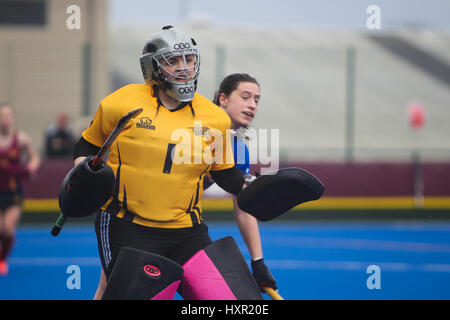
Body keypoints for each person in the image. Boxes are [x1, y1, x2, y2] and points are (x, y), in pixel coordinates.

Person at [71, 26, 259, 299]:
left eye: (190, 60)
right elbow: (87, 145)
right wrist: (83, 170)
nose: (184, 68)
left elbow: (226, 174)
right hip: (128, 226)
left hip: (188, 231)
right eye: (173, 60)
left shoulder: (215, 118)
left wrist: (256, 186)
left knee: (235, 303)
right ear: (153, 67)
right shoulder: (121, 103)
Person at [210, 73, 278, 292]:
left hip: (182, 229)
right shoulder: (194, 131)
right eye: (246, 97)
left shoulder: (238, 149)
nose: (252, 105)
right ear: (223, 99)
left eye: (256, 100)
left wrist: (258, 262)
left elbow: (244, 206)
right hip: (136, 222)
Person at [0, 103, 40, 275]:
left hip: (13, 193)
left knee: (7, 230)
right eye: (2, 115)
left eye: (9, 115)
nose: (5, 119)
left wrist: (30, 168)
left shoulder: (21, 139)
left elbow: (35, 158)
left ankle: (2, 258)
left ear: (13, 118)